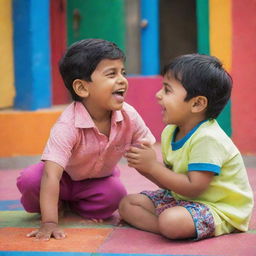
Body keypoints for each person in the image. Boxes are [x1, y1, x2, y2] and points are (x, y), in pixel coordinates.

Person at [17, 38, 155, 241]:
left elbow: (148, 149)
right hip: (62, 178)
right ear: (82, 88)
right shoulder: (68, 124)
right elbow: (51, 176)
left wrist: (148, 160)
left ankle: (71, 205)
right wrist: (49, 223)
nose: (122, 80)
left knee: (115, 196)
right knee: (30, 180)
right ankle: (53, 207)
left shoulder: (129, 116)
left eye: (123, 72)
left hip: (97, 182)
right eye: (111, 74)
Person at [119, 54, 254, 241]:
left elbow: (193, 188)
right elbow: (171, 184)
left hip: (218, 208)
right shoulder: (170, 132)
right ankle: (167, 227)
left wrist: (153, 167)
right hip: (184, 200)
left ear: (197, 103)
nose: (158, 95)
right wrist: (145, 168)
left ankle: (168, 226)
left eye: (167, 90)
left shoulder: (208, 138)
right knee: (128, 204)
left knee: (171, 220)